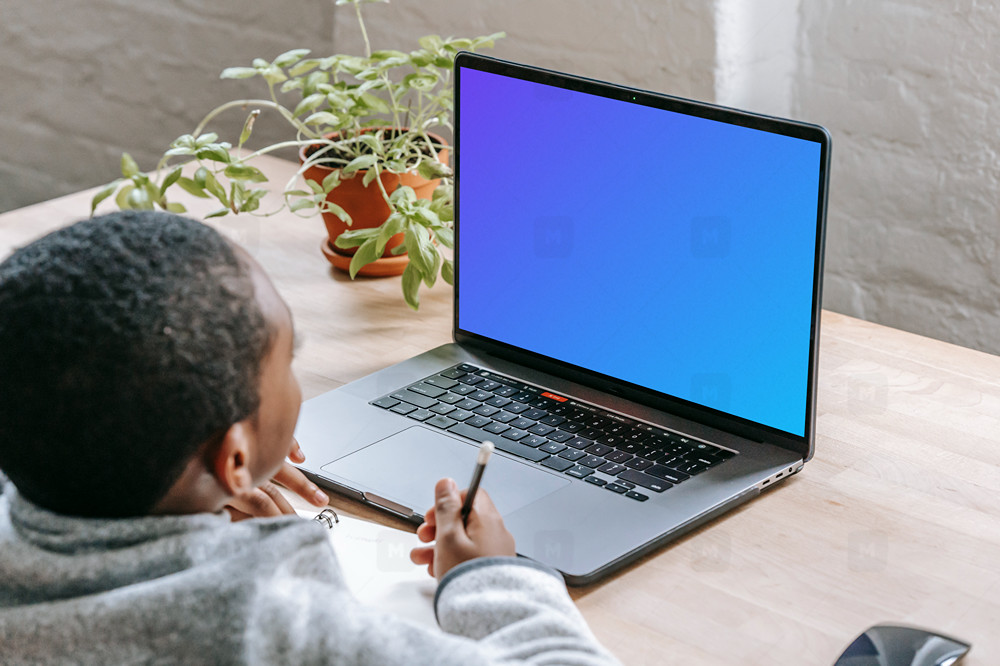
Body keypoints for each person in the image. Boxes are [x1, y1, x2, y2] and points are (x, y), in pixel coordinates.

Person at [0, 211, 619, 665]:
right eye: (288, 358)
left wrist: (192, 477)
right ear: (234, 457)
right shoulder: (275, 631)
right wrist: (486, 579)